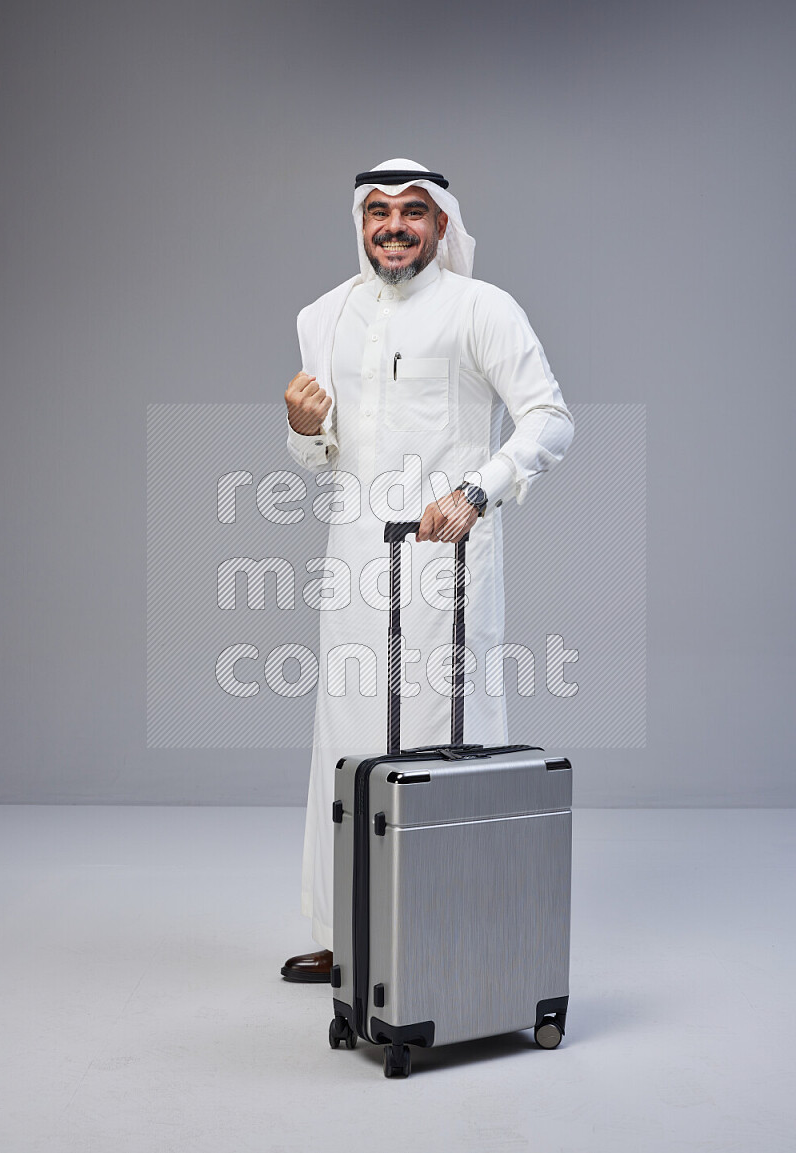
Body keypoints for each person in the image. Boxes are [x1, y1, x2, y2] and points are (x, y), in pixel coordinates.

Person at [280, 158, 574, 982]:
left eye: (413, 210)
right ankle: (349, 934)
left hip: (450, 560)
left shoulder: (482, 309)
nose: (394, 225)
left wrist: (480, 490)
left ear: (442, 223)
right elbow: (322, 454)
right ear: (360, 222)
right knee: (346, 738)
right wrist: (301, 428)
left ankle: (452, 932)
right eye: (378, 210)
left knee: (453, 737)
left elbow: (550, 419)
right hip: (353, 565)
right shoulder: (323, 316)